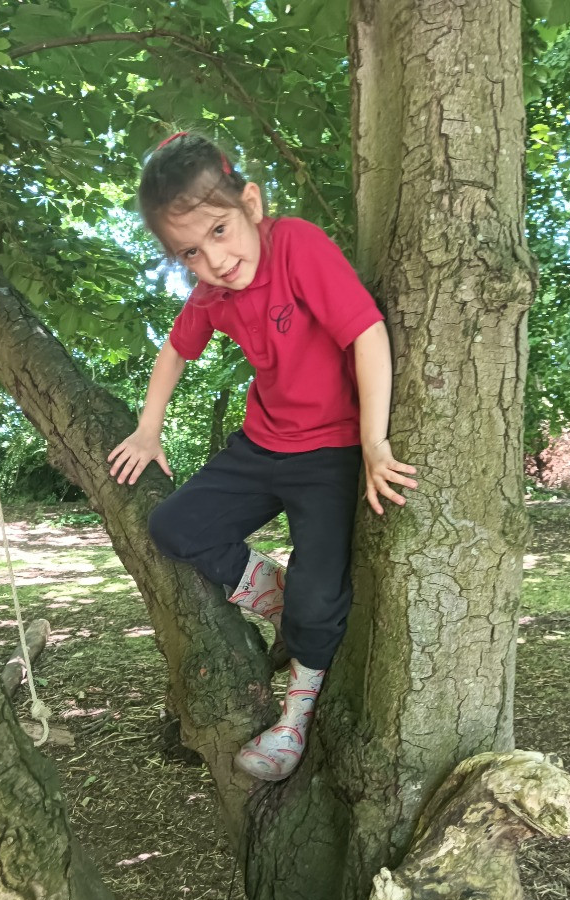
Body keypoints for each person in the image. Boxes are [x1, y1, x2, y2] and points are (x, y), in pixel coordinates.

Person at [108, 132, 416, 782]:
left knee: (318, 594)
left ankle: (294, 718)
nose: (214, 259)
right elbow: (175, 350)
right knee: (174, 527)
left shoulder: (295, 245)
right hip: (261, 445)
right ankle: (273, 594)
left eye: (220, 230)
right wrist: (146, 427)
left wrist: (373, 442)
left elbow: (364, 331)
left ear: (251, 202)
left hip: (329, 454)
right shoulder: (213, 295)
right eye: (190, 251)